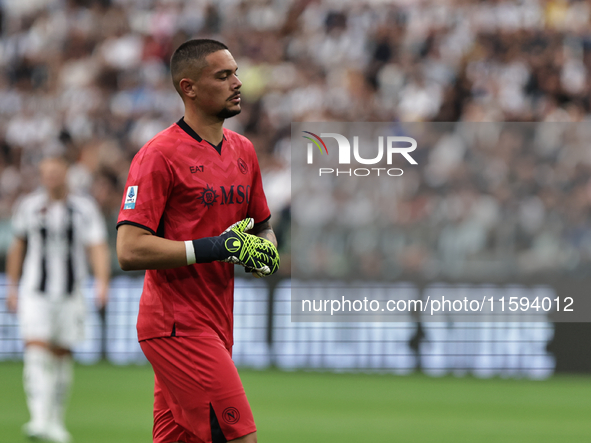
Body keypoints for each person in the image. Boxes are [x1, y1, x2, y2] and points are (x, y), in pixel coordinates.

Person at [116, 39, 279, 443]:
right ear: (188, 87)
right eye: (223, 76)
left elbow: (262, 226)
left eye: (236, 73)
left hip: (218, 322)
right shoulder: (158, 154)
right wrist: (216, 247)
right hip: (176, 325)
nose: (237, 83)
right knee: (239, 437)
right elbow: (130, 249)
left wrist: (266, 253)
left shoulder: (244, 150)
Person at [5, 155, 111, 443]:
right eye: (46, 172)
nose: (50, 176)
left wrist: (102, 282)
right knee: (36, 348)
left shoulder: (84, 208)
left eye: (55, 171)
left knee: (62, 355)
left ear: (66, 173)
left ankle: (55, 421)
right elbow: (17, 247)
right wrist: (12, 287)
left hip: (71, 292)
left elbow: (97, 247)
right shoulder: (28, 206)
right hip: (34, 292)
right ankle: (39, 417)